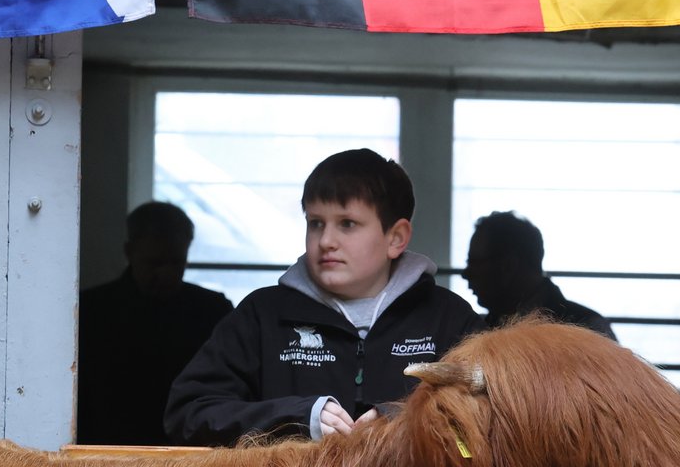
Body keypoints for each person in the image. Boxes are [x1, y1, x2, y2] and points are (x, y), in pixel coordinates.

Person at [164, 149, 479, 446]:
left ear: (395, 238)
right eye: (315, 223)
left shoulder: (447, 318)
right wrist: (297, 419)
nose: (326, 240)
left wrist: (402, 421)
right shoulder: (263, 315)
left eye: (347, 224)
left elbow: (492, 420)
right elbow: (187, 415)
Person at [77, 202, 234, 447]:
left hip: (188, 453)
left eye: (176, 262)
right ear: (129, 252)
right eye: (154, 263)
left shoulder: (213, 311)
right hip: (108, 453)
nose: (166, 274)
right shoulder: (88, 311)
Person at [462, 211, 616, 338]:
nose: (465, 274)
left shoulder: (588, 329)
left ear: (508, 266)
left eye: (475, 262)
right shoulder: (477, 326)